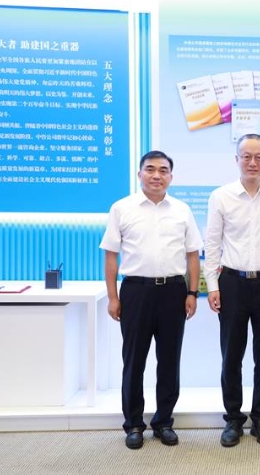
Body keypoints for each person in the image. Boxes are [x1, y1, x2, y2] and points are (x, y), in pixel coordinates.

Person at [100, 150, 203, 450]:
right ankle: (134, 424)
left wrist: (192, 293)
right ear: (140, 174)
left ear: (171, 175)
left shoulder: (182, 210)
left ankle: (163, 422)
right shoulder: (122, 208)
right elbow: (111, 256)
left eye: (163, 170)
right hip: (136, 292)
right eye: (150, 169)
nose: (157, 175)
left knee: (169, 360)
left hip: (173, 292)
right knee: (134, 361)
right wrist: (113, 297)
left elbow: (192, 255)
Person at [204, 133, 260, 448]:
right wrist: (212, 286)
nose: (252, 162)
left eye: (259, 157)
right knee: (231, 356)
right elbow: (212, 244)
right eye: (246, 156)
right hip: (231, 283)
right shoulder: (221, 196)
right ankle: (233, 419)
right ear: (237, 159)